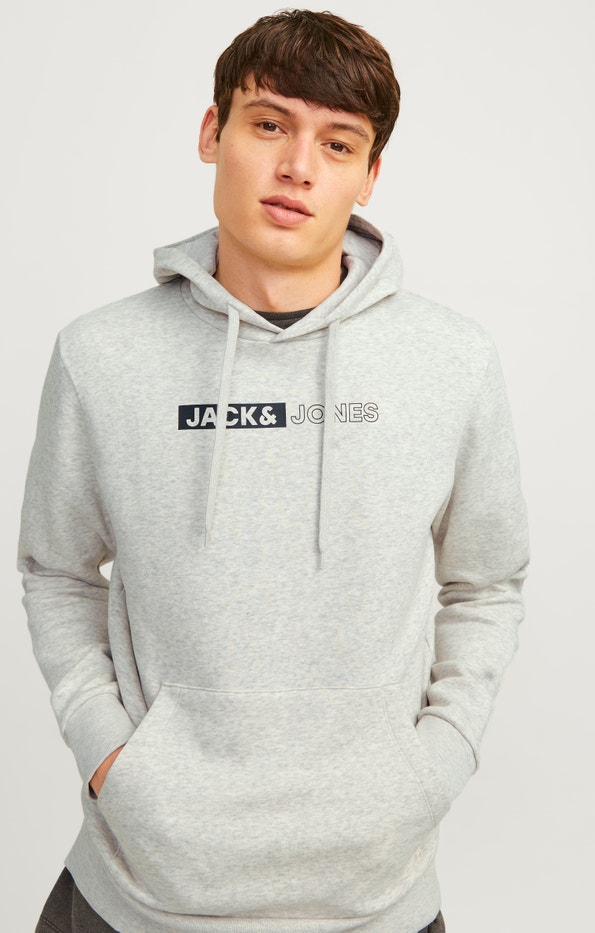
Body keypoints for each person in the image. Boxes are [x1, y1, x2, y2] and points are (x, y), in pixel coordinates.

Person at [19, 9, 529, 933]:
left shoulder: (453, 360)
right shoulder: (101, 356)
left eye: (338, 144)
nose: (299, 166)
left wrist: (437, 762)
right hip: (135, 893)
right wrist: (111, 757)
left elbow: (488, 581)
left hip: (374, 898)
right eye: (269, 125)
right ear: (211, 132)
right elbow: (55, 570)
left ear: (370, 176)